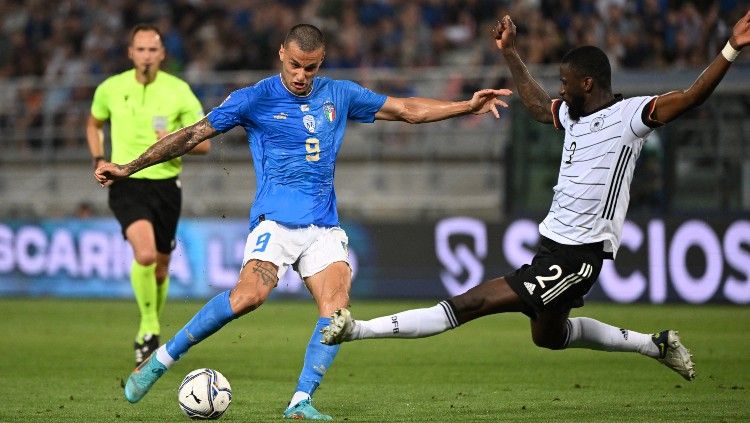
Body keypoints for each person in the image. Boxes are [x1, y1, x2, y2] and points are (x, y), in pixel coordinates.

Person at [95, 24, 511, 420]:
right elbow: (191, 134)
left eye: (310, 67)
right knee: (248, 298)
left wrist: (465, 106)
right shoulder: (255, 98)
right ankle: (160, 360)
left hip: (323, 229)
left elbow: (406, 110)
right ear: (282, 54)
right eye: (294, 65)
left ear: (321, 61)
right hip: (274, 224)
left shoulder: (340, 94)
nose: (300, 75)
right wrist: (129, 167)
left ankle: (300, 401)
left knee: (336, 312)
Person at [321, 10, 750, 391]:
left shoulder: (630, 117)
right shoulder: (573, 116)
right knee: (548, 337)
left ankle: (356, 330)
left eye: (566, 82)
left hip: (579, 256)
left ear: (588, 82)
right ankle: (654, 345)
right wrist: (510, 54)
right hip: (551, 247)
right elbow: (540, 106)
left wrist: (731, 47)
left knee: (472, 302)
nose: (559, 91)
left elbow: (691, 97)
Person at [86, 24, 210, 368]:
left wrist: (175, 137)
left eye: (152, 50)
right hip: (126, 181)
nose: (146, 56)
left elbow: (205, 143)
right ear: (130, 53)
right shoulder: (111, 88)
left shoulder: (180, 91)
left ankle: (149, 331)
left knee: (160, 267)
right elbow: (93, 123)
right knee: (144, 256)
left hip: (166, 185)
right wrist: (98, 158)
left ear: (162, 54)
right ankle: (149, 328)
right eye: (140, 49)